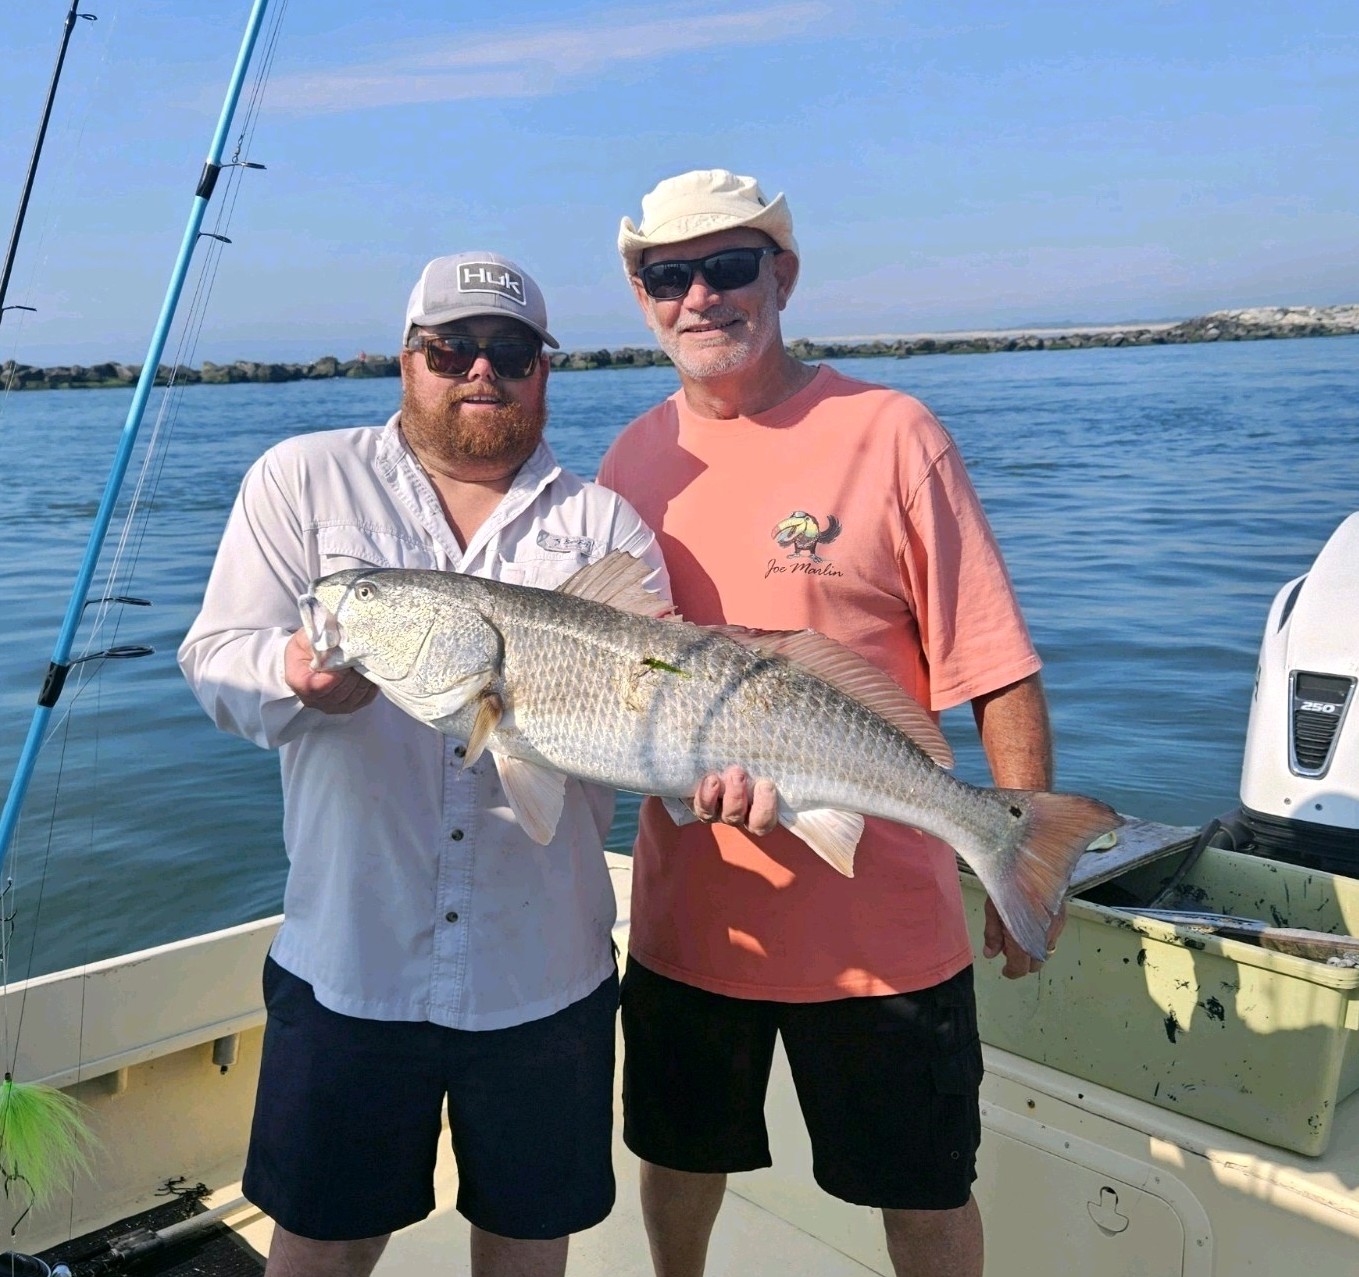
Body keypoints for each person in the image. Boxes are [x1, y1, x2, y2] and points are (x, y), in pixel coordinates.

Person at [597, 170, 1066, 1277]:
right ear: (643, 295)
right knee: (675, 1157)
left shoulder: (893, 433)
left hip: (885, 934)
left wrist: (1020, 855)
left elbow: (994, 663)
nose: (701, 295)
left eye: (729, 266)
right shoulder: (626, 463)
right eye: (671, 274)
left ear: (783, 275)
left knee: (926, 1186)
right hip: (690, 924)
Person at [179, 251, 667, 1277]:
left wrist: (726, 786)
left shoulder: (604, 526)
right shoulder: (301, 479)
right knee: (321, 1244)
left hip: (547, 969)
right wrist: (292, 674)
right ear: (407, 358)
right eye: (451, 348)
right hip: (351, 961)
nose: (479, 370)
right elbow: (215, 661)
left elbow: (654, 719)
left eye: (510, 350)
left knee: (530, 1247)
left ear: (544, 370)